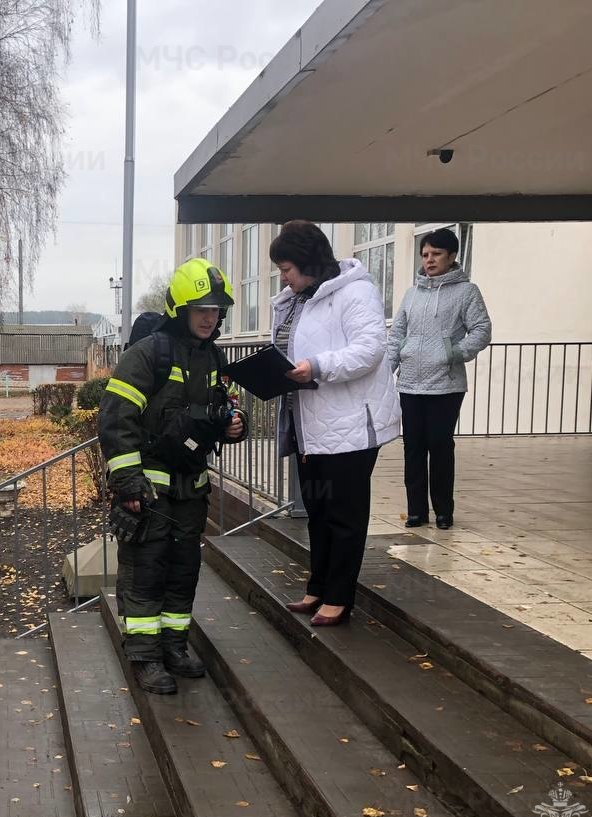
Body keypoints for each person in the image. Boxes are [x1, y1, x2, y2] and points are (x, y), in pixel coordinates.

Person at [99, 259, 247, 694]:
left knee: (184, 571)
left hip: (192, 489)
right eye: (201, 307)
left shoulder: (214, 357)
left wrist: (235, 425)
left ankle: (174, 646)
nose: (209, 316)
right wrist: (128, 485)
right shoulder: (149, 354)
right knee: (146, 571)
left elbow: (225, 409)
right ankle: (144, 656)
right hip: (148, 491)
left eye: (216, 308)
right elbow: (114, 421)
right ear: (180, 309)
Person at [270, 221, 401, 627]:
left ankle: (340, 596)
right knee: (317, 509)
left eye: (287, 268)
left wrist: (318, 367)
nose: (282, 276)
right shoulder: (298, 299)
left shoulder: (355, 292)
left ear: (309, 262)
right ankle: (318, 585)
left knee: (344, 514)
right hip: (309, 424)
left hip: (350, 426)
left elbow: (369, 350)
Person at [387, 227, 491, 529]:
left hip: (446, 385)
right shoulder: (411, 294)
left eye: (436, 254)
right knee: (413, 447)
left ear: (452, 256)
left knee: (440, 446)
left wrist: (452, 353)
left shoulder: (467, 292)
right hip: (409, 384)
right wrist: (388, 371)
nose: (429, 260)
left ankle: (444, 510)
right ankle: (416, 511)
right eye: (425, 254)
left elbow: (482, 331)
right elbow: (397, 336)